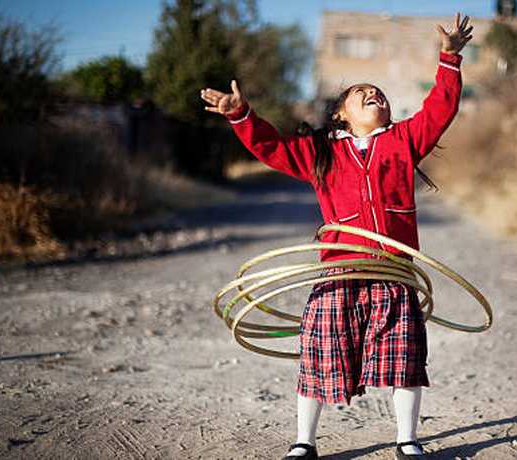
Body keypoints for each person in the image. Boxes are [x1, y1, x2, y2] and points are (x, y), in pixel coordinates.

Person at [201, 12, 473, 459]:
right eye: (361, 94)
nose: (374, 95)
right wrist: (242, 117)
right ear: (341, 113)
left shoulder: (402, 142)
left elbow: (440, 108)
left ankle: (408, 440)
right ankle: (303, 442)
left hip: (394, 273)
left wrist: (449, 58)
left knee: (403, 359)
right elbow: (272, 148)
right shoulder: (321, 152)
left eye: (379, 94)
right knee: (320, 354)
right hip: (339, 273)